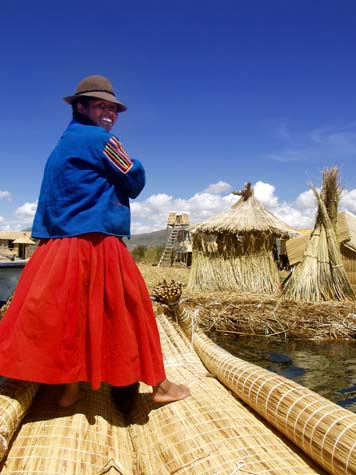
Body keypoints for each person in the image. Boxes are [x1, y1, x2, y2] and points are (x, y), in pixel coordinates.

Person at [0, 75, 190, 408]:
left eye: (113, 108)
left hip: (58, 246)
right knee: (130, 310)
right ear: (80, 106)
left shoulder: (62, 145)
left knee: (68, 313)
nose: (109, 113)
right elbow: (133, 177)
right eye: (100, 105)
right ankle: (159, 385)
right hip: (96, 241)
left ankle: (70, 388)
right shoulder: (101, 141)